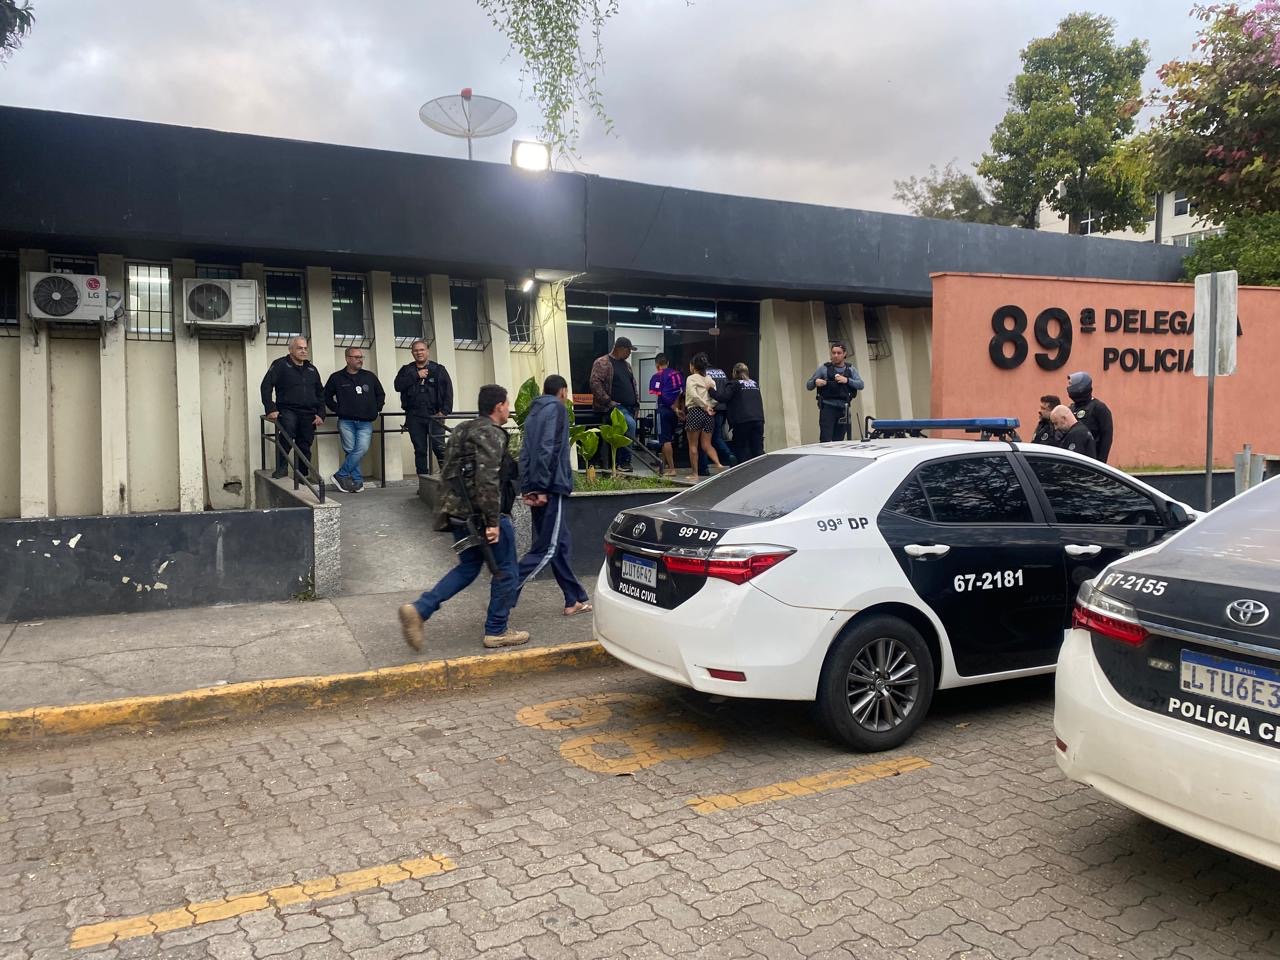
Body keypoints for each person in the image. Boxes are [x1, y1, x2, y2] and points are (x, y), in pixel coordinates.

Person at [398, 384, 527, 651]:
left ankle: (420, 609)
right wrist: (492, 522)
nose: (509, 409)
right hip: (484, 516)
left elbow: (448, 471)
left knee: (468, 567)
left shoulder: (461, 430)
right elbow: (487, 479)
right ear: (498, 406)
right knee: (507, 571)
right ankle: (497, 630)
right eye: (507, 404)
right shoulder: (491, 433)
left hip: (459, 516)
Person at [516, 375, 592, 617]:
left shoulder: (533, 412)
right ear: (563, 391)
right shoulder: (557, 409)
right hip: (551, 486)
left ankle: (574, 599)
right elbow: (548, 447)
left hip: (537, 486)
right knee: (547, 548)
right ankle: (503, 591)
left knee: (561, 543)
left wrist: (528, 487)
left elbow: (526, 452)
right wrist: (541, 488)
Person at [261, 336, 325, 480]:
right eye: (299, 348)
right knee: (287, 435)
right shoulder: (280, 365)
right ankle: (282, 468)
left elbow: (320, 393)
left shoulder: (312, 369)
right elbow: (266, 386)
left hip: (308, 413)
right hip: (287, 410)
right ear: (290, 350)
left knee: (305, 445)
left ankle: (302, 476)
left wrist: (321, 414)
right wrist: (270, 408)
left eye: (305, 348)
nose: (303, 351)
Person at [323, 346, 385, 493]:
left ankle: (341, 474)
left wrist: (377, 409)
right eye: (356, 357)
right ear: (347, 359)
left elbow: (380, 394)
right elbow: (325, 396)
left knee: (361, 449)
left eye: (361, 357)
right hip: (346, 421)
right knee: (351, 451)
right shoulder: (336, 377)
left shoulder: (369, 376)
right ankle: (357, 482)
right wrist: (337, 409)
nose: (360, 360)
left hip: (365, 422)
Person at [394, 339, 453, 476]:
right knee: (420, 450)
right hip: (414, 416)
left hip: (435, 415)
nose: (419, 353)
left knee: (439, 448)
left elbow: (448, 392)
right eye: (416, 350)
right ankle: (423, 482)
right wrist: (416, 375)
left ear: (427, 351)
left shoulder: (438, 370)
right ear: (412, 353)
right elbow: (398, 386)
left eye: (422, 350)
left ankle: (448, 480)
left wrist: (444, 411)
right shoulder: (406, 370)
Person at [589, 336, 639, 472]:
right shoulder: (602, 362)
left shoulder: (627, 366)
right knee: (630, 425)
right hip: (613, 407)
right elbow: (595, 384)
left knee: (629, 428)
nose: (629, 353)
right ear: (620, 349)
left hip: (629, 407)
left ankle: (620, 461)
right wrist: (608, 401)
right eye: (628, 350)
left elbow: (632, 384)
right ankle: (624, 462)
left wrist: (636, 403)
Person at [805, 342, 864, 442]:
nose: (836, 355)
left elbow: (861, 385)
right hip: (828, 408)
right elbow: (809, 385)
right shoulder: (824, 369)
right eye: (833, 353)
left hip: (844, 409)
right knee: (826, 439)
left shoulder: (850, 369)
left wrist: (847, 380)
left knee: (839, 441)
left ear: (844, 354)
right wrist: (816, 382)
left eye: (839, 353)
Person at [684, 352, 725, 474]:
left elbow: (693, 395)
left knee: (693, 445)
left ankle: (695, 473)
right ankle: (718, 464)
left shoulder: (691, 378)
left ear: (693, 366)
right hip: (709, 414)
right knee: (707, 445)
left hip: (695, 411)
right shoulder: (709, 379)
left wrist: (704, 406)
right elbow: (715, 397)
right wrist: (709, 407)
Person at [719, 362, 766, 462]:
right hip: (758, 419)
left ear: (735, 372)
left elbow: (723, 397)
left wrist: (710, 390)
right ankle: (761, 469)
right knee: (758, 449)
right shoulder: (755, 384)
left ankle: (744, 471)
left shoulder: (734, 384)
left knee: (741, 449)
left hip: (742, 421)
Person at [647, 353, 683, 477]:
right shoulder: (677, 375)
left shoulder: (657, 377)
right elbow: (680, 392)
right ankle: (663, 466)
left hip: (663, 410)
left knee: (665, 440)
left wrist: (672, 407)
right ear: (667, 362)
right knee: (667, 440)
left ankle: (672, 469)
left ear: (657, 364)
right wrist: (677, 408)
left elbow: (660, 394)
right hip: (675, 412)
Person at [1066, 371, 1114, 464]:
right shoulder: (1071, 409)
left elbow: (1106, 437)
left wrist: (1100, 463)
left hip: (1091, 462)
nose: (1068, 387)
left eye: (1070, 384)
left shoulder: (1099, 408)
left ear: (1080, 387)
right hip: (1072, 461)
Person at [704, 362, 738, 469]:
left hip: (712, 408)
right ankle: (724, 457)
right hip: (723, 408)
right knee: (718, 435)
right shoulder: (721, 372)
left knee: (709, 438)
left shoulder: (705, 373)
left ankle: (728, 455)